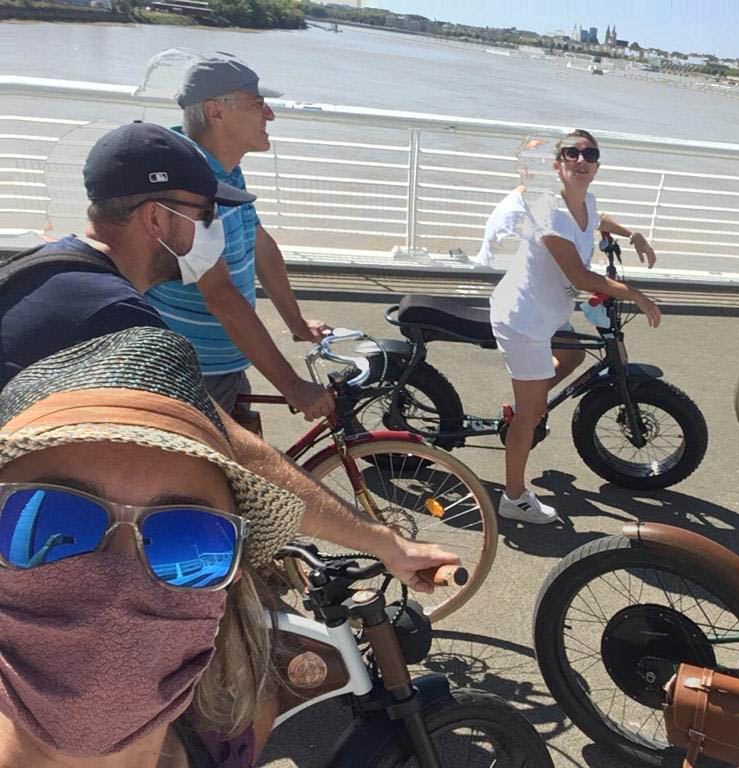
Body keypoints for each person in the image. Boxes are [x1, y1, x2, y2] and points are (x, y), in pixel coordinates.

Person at [0, 120, 457, 596]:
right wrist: (386, 544)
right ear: (156, 219)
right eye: (205, 214)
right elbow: (235, 450)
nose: (212, 229)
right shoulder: (113, 318)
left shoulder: (45, 270)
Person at [0, 325, 305, 768]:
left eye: (188, 535)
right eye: (51, 515)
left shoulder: (232, 740)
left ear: (233, 576)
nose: (118, 580)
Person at [146, 54, 334, 423]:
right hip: (194, 372)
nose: (270, 115)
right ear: (216, 111)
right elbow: (220, 296)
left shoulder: (224, 168)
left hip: (226, 360)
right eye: (257, 103)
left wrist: (296, 324)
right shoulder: (187, 184)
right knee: (213, 478)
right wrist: (292, 386)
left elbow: (259, 243)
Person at [489, 129, 662, 524]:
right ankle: (513, 498)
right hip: (524, 318)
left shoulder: (583, 202)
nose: (581, 160)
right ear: (558, 164)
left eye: (590, 154)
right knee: (531, 414)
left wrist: (630, 232)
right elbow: (580, 276)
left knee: (572, 354)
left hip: (548, 312)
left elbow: (596, 219)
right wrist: (634, 293)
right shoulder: (549, 210)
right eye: (572, 154)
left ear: (597, 165)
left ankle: (525, 404)